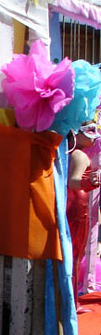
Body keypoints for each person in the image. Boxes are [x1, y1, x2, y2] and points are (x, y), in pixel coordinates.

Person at [67, 122, 101, 299]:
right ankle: (72, 301)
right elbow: (73, 182)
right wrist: (90, 182)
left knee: (73, 253)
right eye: (90, 131)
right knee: (75, 253)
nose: (94, 137)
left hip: (75, 205)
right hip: (78, 209)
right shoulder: (79, 155)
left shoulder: (70, 153)